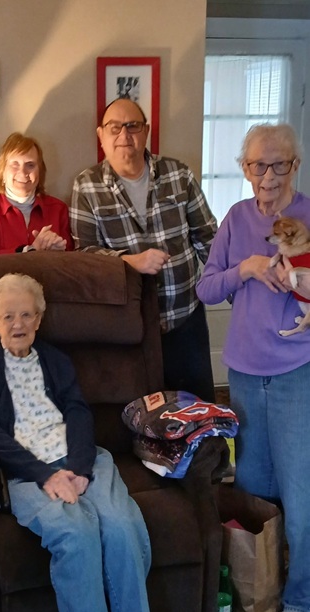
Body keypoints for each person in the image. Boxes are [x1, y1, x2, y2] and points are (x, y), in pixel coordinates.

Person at [0, 272, 171, 612]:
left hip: (82, 460)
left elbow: (78, 411)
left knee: (121, 526)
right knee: (77, 534)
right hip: (28, 472)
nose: (18, 324)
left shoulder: (55, 359)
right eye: (7, 316)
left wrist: (79, 468)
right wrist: (46, 474)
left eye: (26, 314)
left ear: (39, 319)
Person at [196, 123, 310, 612]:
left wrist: (300, 280)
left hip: (296, 372)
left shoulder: (309, 214)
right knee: (253, 486)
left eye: (279, 164)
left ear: (295, 166)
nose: (268, 176)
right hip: (243, 372)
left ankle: (302, 597)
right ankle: (260, 584)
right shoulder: (237, 219)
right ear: (245, 169)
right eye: (258, 165)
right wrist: (245, 268)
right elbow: (206, 289)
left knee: (300, 489)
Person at [71, 97, 217, 402]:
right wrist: (128, 262)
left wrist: (233, 288)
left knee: (198, 409)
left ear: (146, 131)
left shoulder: (179, 174)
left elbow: (208, 238)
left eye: (133, 126)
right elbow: (84, 256)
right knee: (142, 413)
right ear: (101, 135)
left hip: (185, 319)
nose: (124, 135)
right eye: (114, 127)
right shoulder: (86, 186)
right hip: (129, 327)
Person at [0, 132, 73, 257]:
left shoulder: (59, 209)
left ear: (40, 172)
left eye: (30, 165)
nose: (23, 172)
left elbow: (72, 259)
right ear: (2, 171)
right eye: (15, 165)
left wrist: (58, 253)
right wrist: (29, 250)